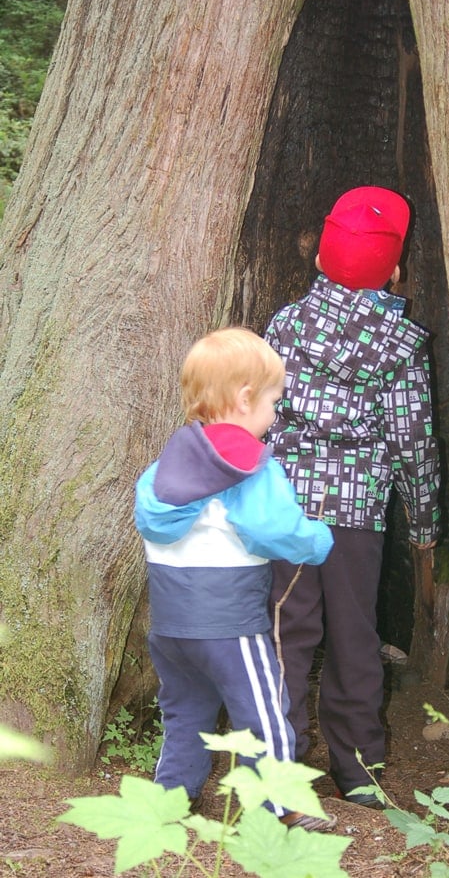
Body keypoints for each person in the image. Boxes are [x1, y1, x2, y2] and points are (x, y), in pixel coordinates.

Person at [265, 186, 441, 808]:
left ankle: (275, 768)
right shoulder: (401, 347)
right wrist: (424, 521)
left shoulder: (286, 325)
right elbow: (412, 439)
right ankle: (358, 769)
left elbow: (264, 412)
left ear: (318, 257)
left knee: (287, 630)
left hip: (286, 505)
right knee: (354, 633)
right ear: (394, 269)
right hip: (357, 515)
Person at [134, 327, 336, 831]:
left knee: (185, 715)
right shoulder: (252, 469)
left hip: (171, 626)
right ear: (245, 399)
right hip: (230, 625)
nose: (274, 413)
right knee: (262, 714)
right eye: (273, 400)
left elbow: (151, 519)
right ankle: (274, 807)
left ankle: (168, 805)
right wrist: (318, 539)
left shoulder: (163, 467)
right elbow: (273, 530)